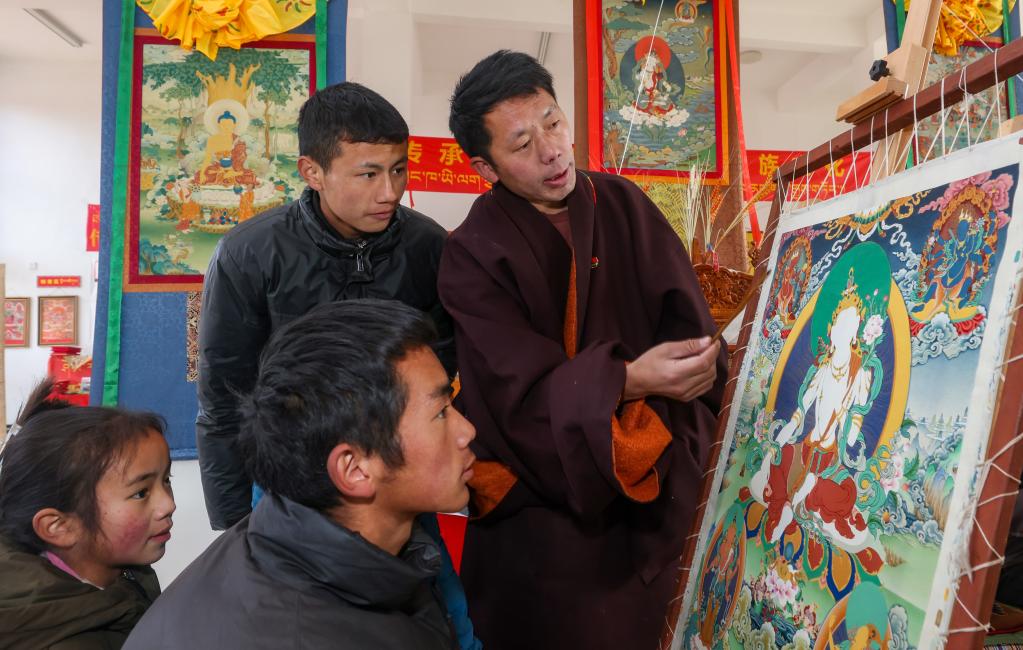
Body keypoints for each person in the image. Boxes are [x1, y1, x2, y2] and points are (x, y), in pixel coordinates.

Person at [439, 50, 727, 649]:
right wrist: (628, 380)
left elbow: (692, 331)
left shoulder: (623, 205)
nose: (551, 150)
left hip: (663, 472)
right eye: (522, 144)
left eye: (553, 122)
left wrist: (694, 369)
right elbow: (514, 396)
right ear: (485, 167)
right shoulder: (472, 254)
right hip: (547, 504)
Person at [127, 300, 476, 649]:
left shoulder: (292, 540)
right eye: (441, 413)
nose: (467, 432)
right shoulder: (298, 634)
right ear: (354, 469)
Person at [0, 379, 174, 649]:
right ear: (59, 527)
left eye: (166, 480)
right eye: (141, 493)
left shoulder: (125, 570)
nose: (168, 505)